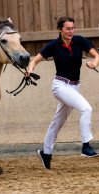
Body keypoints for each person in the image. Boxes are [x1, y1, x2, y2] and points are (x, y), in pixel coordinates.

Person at [27, 16, 99, 169]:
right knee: (86, 108)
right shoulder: (53, 45)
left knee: (58, 121)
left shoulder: (79, 41)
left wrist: (94, 63)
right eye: (68, 28)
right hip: (60, 86)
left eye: (73, 28)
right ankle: (86, 145)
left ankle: (46, 153)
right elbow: (34, 61)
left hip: (74, 87)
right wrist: (29, 71)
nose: (71, 31)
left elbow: (97, 55)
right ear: (60, 29)